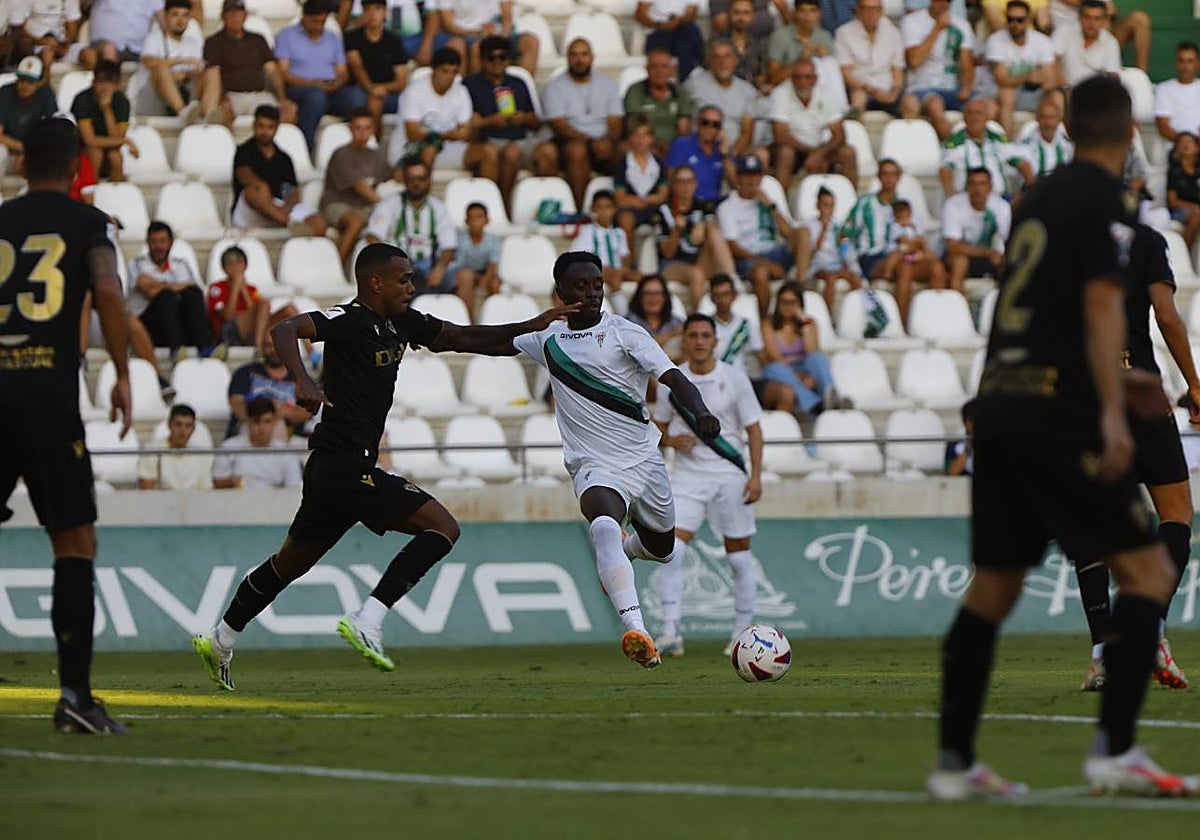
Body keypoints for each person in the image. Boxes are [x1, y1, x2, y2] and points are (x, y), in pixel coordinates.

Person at [928, 74, 1197, 801]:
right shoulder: (1110, 199)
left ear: (1069, 126)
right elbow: (1107, 302)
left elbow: (1029, 308)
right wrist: (1112, 408)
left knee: (993, 586)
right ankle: (1115, 750)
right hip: (1059, 412)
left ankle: (954, 764)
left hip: (1004, 405)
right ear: (1130, 129)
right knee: (1146, 573)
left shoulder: (1035, 201)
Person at [193, 242, 578, 689]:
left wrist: (531, 327)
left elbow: (465, 338)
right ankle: (368, 617)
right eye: (404, 279)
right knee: (442, 526)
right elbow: (284, 330)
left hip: (332, 470)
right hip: (342, 465)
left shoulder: (401, 322)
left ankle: (221, 637)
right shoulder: (350, 319)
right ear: (375, 282)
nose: (412, 286)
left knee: (289, 564)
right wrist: (302, 380)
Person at [512, 251, 722, 668]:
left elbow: (673, 378)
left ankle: (628, 549)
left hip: (644, 462)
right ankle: (637, 629)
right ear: (561, 293)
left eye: (597, 285)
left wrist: (700, 412)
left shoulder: (626, 333)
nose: (591, 294)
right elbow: (480, 340)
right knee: (603, 525)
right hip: (594, 466)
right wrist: (425, 331)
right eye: (580, 286)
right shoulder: (547, 337)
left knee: (663, 548)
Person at [0, 116, 132, 733]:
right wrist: (124, 373)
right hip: (50, 397)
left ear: (22, 163)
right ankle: (75, 698)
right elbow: (106, 288)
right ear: (78, 166)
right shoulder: (88, 223)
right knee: (74, 543)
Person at [1074, 222, 1200, 693]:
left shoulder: (1062, 234)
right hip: (1140, 389)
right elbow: (1166, 316)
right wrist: (1195, 384)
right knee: (1176, 514)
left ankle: (1103, 654)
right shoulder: (1146, 239)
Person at [653, 312, 764, 657]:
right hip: (688, 476)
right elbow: (655, 427)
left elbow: (754, 429)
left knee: (740, 559)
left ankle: (741, 633)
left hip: (730, 474)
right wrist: (669, 441)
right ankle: (671, 630)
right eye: (694, 335)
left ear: (715, 341)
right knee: (672, 551)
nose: (699, 341)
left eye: (705, 335)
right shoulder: (670, 382)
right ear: (684, 340)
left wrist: (756, 475)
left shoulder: (734, 378)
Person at [463, 35, 556, 212]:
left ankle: (543, 205)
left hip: (521, 137)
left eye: (502, 57)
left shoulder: (519, 83)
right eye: (491, 58)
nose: (497, 62)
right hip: (490, 140)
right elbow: (468, 123)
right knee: (511, 152)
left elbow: (535, 121)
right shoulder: (470, 85)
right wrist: (490, 121)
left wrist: (523, 118)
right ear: (482, 60)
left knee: (548, 151)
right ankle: (504, 207)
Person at [391, 46, 497, 182]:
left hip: (448, 147)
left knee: (489, 151)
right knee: (430, 149)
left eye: (454, 72)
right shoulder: (414, 91)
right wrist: (446, 135)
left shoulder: (461, 91)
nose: (449, 77)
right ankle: (423, 199)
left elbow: (465, 132)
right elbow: (412, 133)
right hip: (410, 148)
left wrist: (443, 136)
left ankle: (487, 199)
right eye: (445, 71)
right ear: (433, 70)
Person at [542, 38, 623, 209]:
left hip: (603, 141)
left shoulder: (608, 84)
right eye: (574, 55)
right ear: (567, 58)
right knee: (577, 150)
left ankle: (623, 208)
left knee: (626, 150)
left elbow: (615, 121)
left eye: (584, 54)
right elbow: (559, 125)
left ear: (592, 57)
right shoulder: (554, 87)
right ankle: (580, 209)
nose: (579, 59)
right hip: (570, 141)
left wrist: (609, 140)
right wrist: (591, 142)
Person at [128, 221, 224, 359]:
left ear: (171, 243)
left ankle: (205, 346)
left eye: (162, 241)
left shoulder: (180, 264)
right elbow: (148, 290)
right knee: (165, 296)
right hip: (149, 325)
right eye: (153, 241)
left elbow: (193, 288)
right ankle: (177, 349)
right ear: (147, 243)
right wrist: (175, 286)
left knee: (192, 295)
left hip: (176, 321)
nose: (158, 246)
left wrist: (156, 283)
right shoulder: (136, 263)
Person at [717, 154, 798, 316]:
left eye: (755, 175)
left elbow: (788, 233)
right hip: (748, 258)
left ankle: (799, 285)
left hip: (774, 251)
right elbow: (733, 247)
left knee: (803, 234)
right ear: (738, 177)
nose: (751, 181)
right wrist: (766, 263)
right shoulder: (727, 207)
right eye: (746, 175)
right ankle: (765, 320)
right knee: (761, 272)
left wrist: (771, 207)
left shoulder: (768, 200)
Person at [365, 157, 458, 294]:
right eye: (411, 178)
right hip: (398, 264)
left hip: (430, 265)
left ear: (429, 180)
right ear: (405, 180)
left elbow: (449, 246)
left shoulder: (438, 207)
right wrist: (389, 264)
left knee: (464, 276)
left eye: (421, 179)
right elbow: (373, 236)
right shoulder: (390, 203)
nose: (416, 184)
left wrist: (440, 268)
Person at [231, 105, 327, 236]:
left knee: (319, 221)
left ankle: (295, 228)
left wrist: (285, 207)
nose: (264, 131)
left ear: (276, 128)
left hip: (279, 209)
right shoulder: (244, 151)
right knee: (259, 189)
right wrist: (268, 201)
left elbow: (292, 191)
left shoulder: (284, 158)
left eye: (269, 127)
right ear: (254, 125)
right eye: (261, 126)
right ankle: (290, 224)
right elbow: (244, 176)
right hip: (250, 211)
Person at [320, 108, 398, 261]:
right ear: (350, 129)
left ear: (373, 129)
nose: (363, 133)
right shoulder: (341, 154)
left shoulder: (376, 155)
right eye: (358, 128)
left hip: (365, 208)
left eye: (367, 128)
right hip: (337, 204)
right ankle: (337, 265)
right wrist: (387, 206)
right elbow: (360, 187)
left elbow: (393, 174)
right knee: (356, 221)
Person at [275, 0, 354, 150]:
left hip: (331, 89)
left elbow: (343, 72)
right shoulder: (286, 36)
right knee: (316, 97)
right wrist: (313, 84)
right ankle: (306, 147)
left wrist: (337, 83)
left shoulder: (332, 38)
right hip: (300, 88)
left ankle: (347, 148)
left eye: (323, 22)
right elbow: (283, 73)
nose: (319, 26)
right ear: (304, 16)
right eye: (315, 21)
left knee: (356, 98)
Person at [652, 164, 736, 307]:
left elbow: (711, 232)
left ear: (696, 183)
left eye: (690, 181)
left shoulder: (704, 206)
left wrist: (704, 226)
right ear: (673, 184)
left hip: (700, 260)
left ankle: (732, 279)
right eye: (681, 181)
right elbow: (667, 253)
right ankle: (700, 319)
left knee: (713, 231)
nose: (686, 186)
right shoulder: (662, 211)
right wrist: (677, 231)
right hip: (672, 264)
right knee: (696, 274)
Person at [770, 57, 856, 192]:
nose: (803, 82)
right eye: (798, 77)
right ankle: (781, 205)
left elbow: (840, 134)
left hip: (818, 148)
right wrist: (813, 154)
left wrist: (820, 153)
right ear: (791, 78)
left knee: (848, 152)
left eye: (807, 77)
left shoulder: (825, 94)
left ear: (815, 79)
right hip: (793, 149)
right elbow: (780, 135)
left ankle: (852, 202)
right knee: (786, 152)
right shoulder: (780, 93)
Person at [202, 0, 292, 128]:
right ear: (223, 16)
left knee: (286, 113)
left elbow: (272, 70)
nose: (235, 17)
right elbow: (213, 75)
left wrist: (282, 98)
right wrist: (221, 98)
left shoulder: (258, 39)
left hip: (259, 94)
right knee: (223, 115)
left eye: (238, 14)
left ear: (245, 16)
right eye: (231, 14)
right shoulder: (213, 42)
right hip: (232, 96)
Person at [899, 0, 976, 140]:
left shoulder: (961, 25)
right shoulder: (912, 22)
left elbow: (967, 63)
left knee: (987, 105)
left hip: (952, 89)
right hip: (921, 88)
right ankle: (954, 148)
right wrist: (937, 28)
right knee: (935, 104)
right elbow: (914, 61)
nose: (943, 5)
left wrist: (967, 87)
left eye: (948, 1)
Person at [684, 38, 763, 165]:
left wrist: (731, 155)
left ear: (735, 61)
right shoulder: (693, 85)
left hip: (734, 149)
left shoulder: (747, 90)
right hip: (700, 148)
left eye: (727, 56)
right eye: (717, 57)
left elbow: (747, 131)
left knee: (761, 155)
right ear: (710, 61)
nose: (722, 61)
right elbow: (685, 121)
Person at [759, 280, 834, 414]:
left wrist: (804, 324)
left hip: (804, 368)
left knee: (818, 358)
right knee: (775, 368)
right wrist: (798, 376)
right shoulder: (768, 325)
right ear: (778, 303)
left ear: (800, 304)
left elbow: (811, 351)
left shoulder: (810, 324)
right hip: (780, 371)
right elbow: (774, 356)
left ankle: (831, 395)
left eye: (792, 302)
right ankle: (815, 404)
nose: (788, 307)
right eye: (784, 302)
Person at [984, 0, 1058, 137]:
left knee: (1057, 96)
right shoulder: (995, 41)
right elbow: (1001, 79)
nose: (1015, 25)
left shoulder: (1042, 41)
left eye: (1020, 20)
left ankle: (1055, 144)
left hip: (1033, 93)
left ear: (1028, 20)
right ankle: (1007, 142)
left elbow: (1052, 80)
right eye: (1010, 19)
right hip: (1000, 94)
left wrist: (1041, 80)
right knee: (1007, 93)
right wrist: (1028, 77)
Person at [206, 245, 300, 349]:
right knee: (264, 303)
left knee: (290, 310)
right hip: (229, 332)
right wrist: (235, 289)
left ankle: (312, 353)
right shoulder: (216, 288)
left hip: (253, 331)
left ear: (245, 266)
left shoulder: (252, 289)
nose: (235, 267)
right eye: (230, 264)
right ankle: (258, 347)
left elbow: (257, 314)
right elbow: (227, 316)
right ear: (224, 268)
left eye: (239, 263)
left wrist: (244, 290)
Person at [939, 97, 1034, 197]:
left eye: (978, 113)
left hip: (1000, 198)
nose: (974, 117)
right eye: (970, 113)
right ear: (964, 117)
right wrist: (951, 196)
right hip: (967, 200)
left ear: (987, 117)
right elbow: (945, 169)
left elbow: (1022, 163)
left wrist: (1029, 190)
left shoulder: (997, 139)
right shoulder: (955, 142)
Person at [344, 0, 410, 140]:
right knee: (366, 99)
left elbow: (401, 80)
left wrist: (381, 88)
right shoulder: (352, 37)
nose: (372, 14)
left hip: (388, 91)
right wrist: (371, 89)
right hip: (360, 88)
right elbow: (357, 67)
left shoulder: (394, 41)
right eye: (368, 9)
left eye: (377, 9)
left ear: (385, 12)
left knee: (382, 99)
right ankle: (373, 142)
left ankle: (372, 143)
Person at [226, 332, 309, 440]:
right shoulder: (245, 372)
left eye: (277, 345)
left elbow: (306, 412)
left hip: (290, 436)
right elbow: (236, 404)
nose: (273, 350)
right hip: (250, 429)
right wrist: (265, 414)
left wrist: (282, 412)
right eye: (268, 345)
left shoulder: (300, 377)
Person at [134, 0, 207, 120]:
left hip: (185, 92)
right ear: (166, 16)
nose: (180, 20)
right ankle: (183, 113)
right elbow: (149, 62)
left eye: (185, 15)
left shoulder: (193, 43)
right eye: (175, 14)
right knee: (162, 69)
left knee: (212, 72)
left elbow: (197, 68)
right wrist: (182, 62)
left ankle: (207, 117)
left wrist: (182, 74)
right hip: (153, 99)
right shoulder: (154, 37)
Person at [942, 168, 1012, 292]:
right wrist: (988, 252)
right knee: (959, 262)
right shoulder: (953, 205)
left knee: (1010, 265)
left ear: (990, 187)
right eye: (973, 183)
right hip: (961, 256)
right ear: (967, 186)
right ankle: (959, 307)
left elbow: (1009, 239)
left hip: (989, 256)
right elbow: (952, 246)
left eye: (982, 184)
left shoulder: (1001, 207)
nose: (977, 189)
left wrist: (1002, 257)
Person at [212, 397, 304, 490]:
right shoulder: (229, 447)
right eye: (256, 422)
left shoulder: (286, 452)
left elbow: (293, 488)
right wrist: (234, 482)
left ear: (275, 421)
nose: (262, 427)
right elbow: (217, 482)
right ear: (248, 422)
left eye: (267, 421)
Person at [573, 190, 640, 314]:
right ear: (592, 209)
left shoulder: (619, 233)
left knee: (643, 278)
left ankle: (640, 312)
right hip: (598, 270)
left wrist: (623, 270)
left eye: (608, 207)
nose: (604, 212)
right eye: (600, 208)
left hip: (618, 269)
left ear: (614, 209)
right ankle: (624, 315)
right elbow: (585, 258)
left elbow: (625, 257)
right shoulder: (588, 231)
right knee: (614, 278)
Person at [879, 198, 946, 323]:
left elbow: (921, 242)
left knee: (936, 264)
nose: (905, 219)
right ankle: (901, 321)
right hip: (901, 254)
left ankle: (935, 317)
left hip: (913, 255)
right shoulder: (895, 227)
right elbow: (903, 242)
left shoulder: (913, 228)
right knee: (903, 265)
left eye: (907, 216)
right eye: (901, 217)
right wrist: (915, 243)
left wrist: (916, 244)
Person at [836, 0, 905, 118]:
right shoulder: (844, 32)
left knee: (910, 103)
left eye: (876, 9)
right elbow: (845, 74)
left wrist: (894, 92)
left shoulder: (893, 33)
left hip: (887, 90)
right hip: (859, 88)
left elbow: (897, 72)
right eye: (867, 9)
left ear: (882, 11)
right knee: (858, 97)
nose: (872, 13)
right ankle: (855, 130)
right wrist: (872, 90)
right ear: (858, 10)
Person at [797, 186, 861, 313]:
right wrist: (824, 229)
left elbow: (843, 246)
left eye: (832, 206)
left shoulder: (837, 225)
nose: (829, 209)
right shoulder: (809, 226)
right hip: (817, 265)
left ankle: (853, 312)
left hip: (835, 263)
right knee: (831, 278)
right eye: (825, 205)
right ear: (818, 206)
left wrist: (842, 242)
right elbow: (814, 250)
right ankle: (827, 313)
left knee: (854, 278)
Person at [71, 59, 137, 182]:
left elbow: (116, 137)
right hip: (81, 150)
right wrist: (125, 141)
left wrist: (107, 109)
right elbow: (89, 140)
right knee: (95, 153)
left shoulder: (122, 102)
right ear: (93, 83)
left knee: (115, 156)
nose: (104, 88)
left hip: (109, 150)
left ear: (117, 86)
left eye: (110, 83)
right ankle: (90, 192)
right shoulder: (82, 100)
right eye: (101, 82)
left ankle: (116, 195)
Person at [434, 0, 538, 76]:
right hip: (465, 34)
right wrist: (477, 33)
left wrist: (500, 39)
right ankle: (478, 94)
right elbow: (448, 24)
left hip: (497, 34)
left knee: (531, 42)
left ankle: (522, 90)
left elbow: (507, 19)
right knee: (477, 47)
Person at [623, 48, 694, 158]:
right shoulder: (635, 90)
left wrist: (676, 148)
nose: (659, 71)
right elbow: (634, 125)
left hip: (673, 146)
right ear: (646, 69)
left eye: (664, 66)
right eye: (654, 66)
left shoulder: (680, 92)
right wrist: (658, 144)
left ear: (672, 70)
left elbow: (684, 127)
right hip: (643, 143)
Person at [613, 115, 669, 251]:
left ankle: (664, 256)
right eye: (636, 135)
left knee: (664, 220)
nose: (641, 140)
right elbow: (619, 196)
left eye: (645, 135)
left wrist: (647, 200)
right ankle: (630, 262)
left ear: (652, 138)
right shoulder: (623, 164)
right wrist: (637, 202)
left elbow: (663, 194)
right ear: (630, 138)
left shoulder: (658, 163)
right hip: (631, 209)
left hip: (653, 207)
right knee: (626, 219)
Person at [665, 104, 732, 203]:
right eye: (705, 122)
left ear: (720, 129)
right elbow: (671, 180)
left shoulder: (722, 149)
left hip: (713, 206)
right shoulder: (681, 144)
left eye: (715, 124)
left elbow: (735, 184)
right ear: (697, 123)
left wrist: (725, 156)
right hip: (688, 205)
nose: (709, 128)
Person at [137, 404, 214, 491]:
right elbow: (146, 492)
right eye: (178, 424)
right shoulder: (152, 451)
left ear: (193, 429)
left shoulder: (201, 455)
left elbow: (206, 491)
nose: (182, 430)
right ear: (169, 425)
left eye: (188, 426)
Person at [0, 56, 56, 174]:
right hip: (9, 150)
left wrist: (28, 152)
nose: (24, 85)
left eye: (30, 81)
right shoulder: (5, 92)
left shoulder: (46, 95)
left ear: (39, 83)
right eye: (22, 79)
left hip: (34, 151)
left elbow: (50, 133)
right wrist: (24, 148)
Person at [447, 201, 501, 320]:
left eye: (479, 217)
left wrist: (486, 277)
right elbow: (459, 264)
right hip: (464, 272)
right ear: (466, 221)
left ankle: (493, 318)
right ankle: (469, 319)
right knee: (466, 277)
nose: (475, 221)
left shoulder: (492, 240)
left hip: (484, 272)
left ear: (487, 220)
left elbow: (493, 264)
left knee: (495, 283)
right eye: (471, 218)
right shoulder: (461, 239)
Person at [1053, 0, 1120, 90]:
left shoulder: (1111, 42)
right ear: (1079, 18)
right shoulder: (1065, 30)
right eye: (1087, 17)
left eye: (1097, 18)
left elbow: (1113, 75)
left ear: (1103, 21)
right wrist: (1062, 86)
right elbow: (1052, 61)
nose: (1091, 23)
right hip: (1064, 90)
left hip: (1093, 94)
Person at [8, 0, 83, 76]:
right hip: (35, 44)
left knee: (89, 55)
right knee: (48, 56)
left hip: (61, 44)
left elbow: (72, 26)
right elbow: (16, 29)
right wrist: (40, 41)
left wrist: (66, 44)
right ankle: (44, 86)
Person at [636, 1, 704, 83]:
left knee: (686, 42)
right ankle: (703, 62)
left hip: (682, 29)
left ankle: (686, 82)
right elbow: (639, 15)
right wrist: (661, 25)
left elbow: (692, 14)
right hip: (657, 30)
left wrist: (678, 20)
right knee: (689, 40)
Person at [708, 273, 763, 374]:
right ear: (711, 298)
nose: (722, 300)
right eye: (717, 295)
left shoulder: (747, 325)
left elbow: (760, 355)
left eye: (726, 294)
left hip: (742, 379)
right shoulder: (705, 326)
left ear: (734, 296)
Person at [626, 274, 684, 363]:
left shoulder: (676, 322)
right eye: (647, 293)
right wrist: (671, 334)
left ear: (665, 297)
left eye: (657, 293)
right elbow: (640, 350)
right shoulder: (628, 322)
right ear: (639, 297)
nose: (653, 298)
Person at [719, 0, 772, 92]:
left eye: (746, 13)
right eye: (736, 12)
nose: (741, 17)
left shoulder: (758, 44)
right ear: (729, 14)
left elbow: (761, 75)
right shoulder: (717, 42)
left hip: (751, 94)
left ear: (753, 16)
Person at [1155, 42, 1200, 145]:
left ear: (1197, 64)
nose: (1185, 66)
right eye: (1181, 61)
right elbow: (1163, 126)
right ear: (1176, 63)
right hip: (1175, 147)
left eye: (1190, 61)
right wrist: (1185, 143)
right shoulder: (1164, 89)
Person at [1021, 94, 1073, 180]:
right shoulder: (1024, 146)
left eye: (1051, 117)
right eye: (1043, 117)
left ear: (1059, 119)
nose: (1048, 123)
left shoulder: (1069, 146)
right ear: (1037, 119)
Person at [1167, 133, 1200, 251]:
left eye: (1190, 142)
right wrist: (1194, 207)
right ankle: (1184, 252)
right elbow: (1172, 201)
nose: (1186, 145)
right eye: (1182, 142)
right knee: (1197, 216)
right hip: (1180, 210)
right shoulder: (1175, 171)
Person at [945, 398, 974, 476]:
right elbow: (951, 474)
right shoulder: (954, 444)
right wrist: (969, 448)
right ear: (965, 422)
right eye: (972, 420)